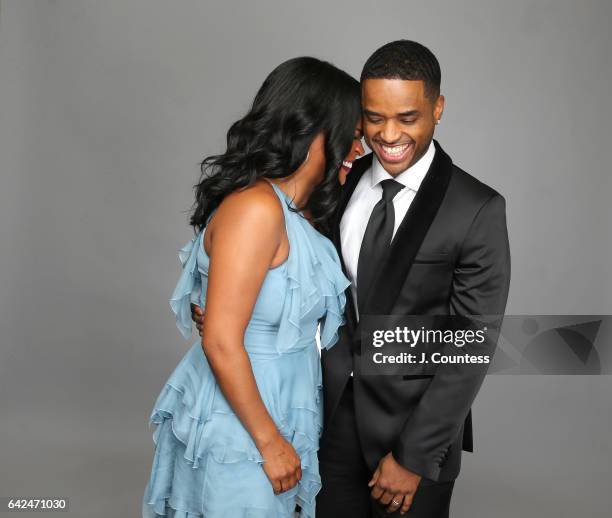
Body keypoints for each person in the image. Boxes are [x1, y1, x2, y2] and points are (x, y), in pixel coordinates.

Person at [141, 56, 363, 518]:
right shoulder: (256, 209)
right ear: (313, 130)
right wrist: (268, 439)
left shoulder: (298, 214)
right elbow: (222, 340)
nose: (358, 148)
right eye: (352, 133)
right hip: (244, 420)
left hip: (282, 405)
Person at [313, 40, 511, 518]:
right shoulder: (338, 180)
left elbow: (471, 344)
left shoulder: (476, 208)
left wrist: (413, 457)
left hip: (413, 438)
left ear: (437, 108)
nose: (388, 134)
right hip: (329, 420)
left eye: (407, 117)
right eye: (374, 117)